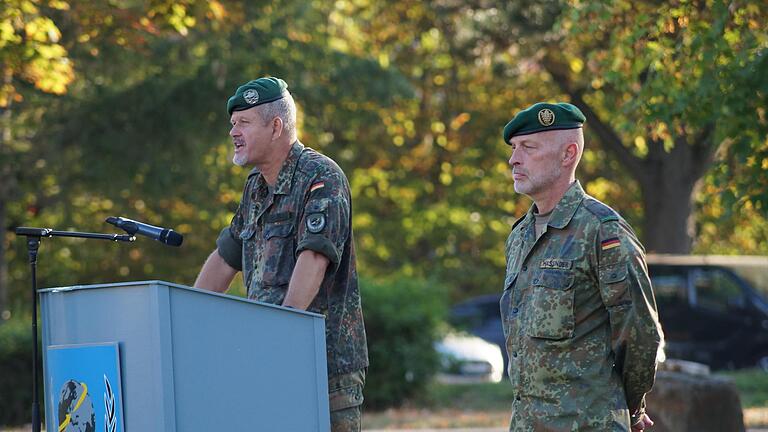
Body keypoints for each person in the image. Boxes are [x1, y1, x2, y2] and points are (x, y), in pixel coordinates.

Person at [194, 77, 368, 431]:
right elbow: (225, 257)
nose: (233, 132)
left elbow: (314, 259)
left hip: (322, 366)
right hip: (269, 361)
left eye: (244, 123)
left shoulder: (321, 177)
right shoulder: (256, 187)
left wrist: (278, 339)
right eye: (232, 124)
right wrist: (185, 320)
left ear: (276, 127)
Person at [500, 102, 663, 431]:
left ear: (568, 154)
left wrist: (630, 406)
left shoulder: (602, 230)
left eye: (528, 148)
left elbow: (639, 334)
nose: (514, 159)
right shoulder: (519, 237)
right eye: (514, 148)